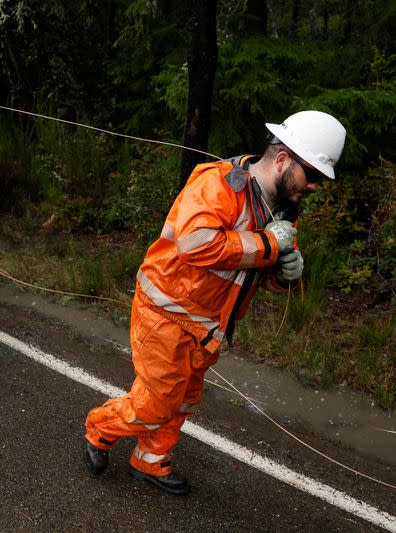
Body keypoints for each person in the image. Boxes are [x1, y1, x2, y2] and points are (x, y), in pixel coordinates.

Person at [83, 110, 346, 495]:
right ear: (285, 159)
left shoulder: (283, 210)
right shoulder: (220, 186)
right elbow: (195, 245)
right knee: (156, 403)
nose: (315, 187)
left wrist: (284, 274)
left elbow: (252, 269)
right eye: (314, 175)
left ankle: (150, 461)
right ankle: (100, 429)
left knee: (184, 400)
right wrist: (271, 245)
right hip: (165, 312)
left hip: (206, 326)